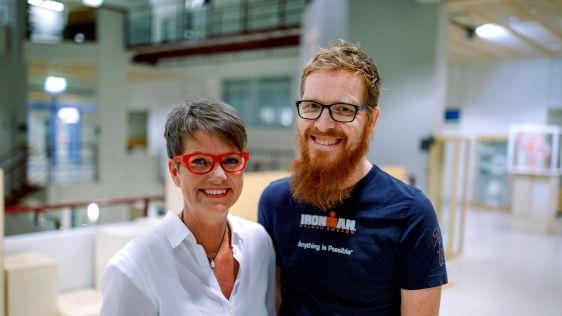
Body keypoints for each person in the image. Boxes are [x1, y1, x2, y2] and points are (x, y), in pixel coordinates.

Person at [258, 40, 448, 315]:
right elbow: (272, 303)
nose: (323, 125)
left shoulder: (410, 213)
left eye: (344, 110)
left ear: (372, 120)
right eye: (312, 106)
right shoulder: (275, 202)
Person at [101, 98, 275, 316]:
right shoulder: (132, 268)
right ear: (175, 172)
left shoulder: (259, 243)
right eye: (200, 161)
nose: (219, 176)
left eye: (230, 160)